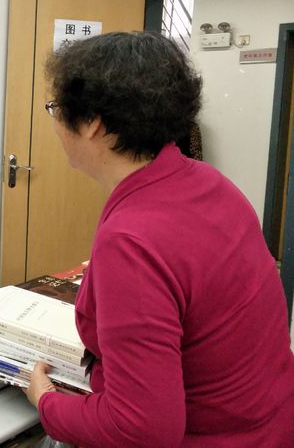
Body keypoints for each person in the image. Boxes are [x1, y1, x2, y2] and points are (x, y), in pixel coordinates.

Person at [24, 31, 294, 446]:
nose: (56, 123)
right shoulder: (211, 183)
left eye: (57, 109)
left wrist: (47, 404)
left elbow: (141, 429)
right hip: (271, 422)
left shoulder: (129, 240)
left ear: (93, 122)